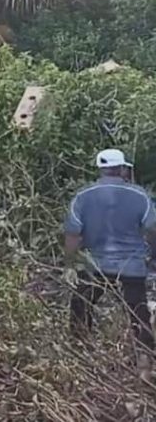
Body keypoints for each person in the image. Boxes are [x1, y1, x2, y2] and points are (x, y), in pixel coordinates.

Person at [65, 149, 155, 380]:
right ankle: (144, 365)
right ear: (123, 169)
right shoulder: (140, 196)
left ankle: (81, 355)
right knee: (138, 312)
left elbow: (73, 234)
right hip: (132, 266)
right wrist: (152, 255)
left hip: (96, 266)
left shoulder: (83, 196)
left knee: (81, 305)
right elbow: (152, 230)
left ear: (100, 168)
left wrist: (70, 263)